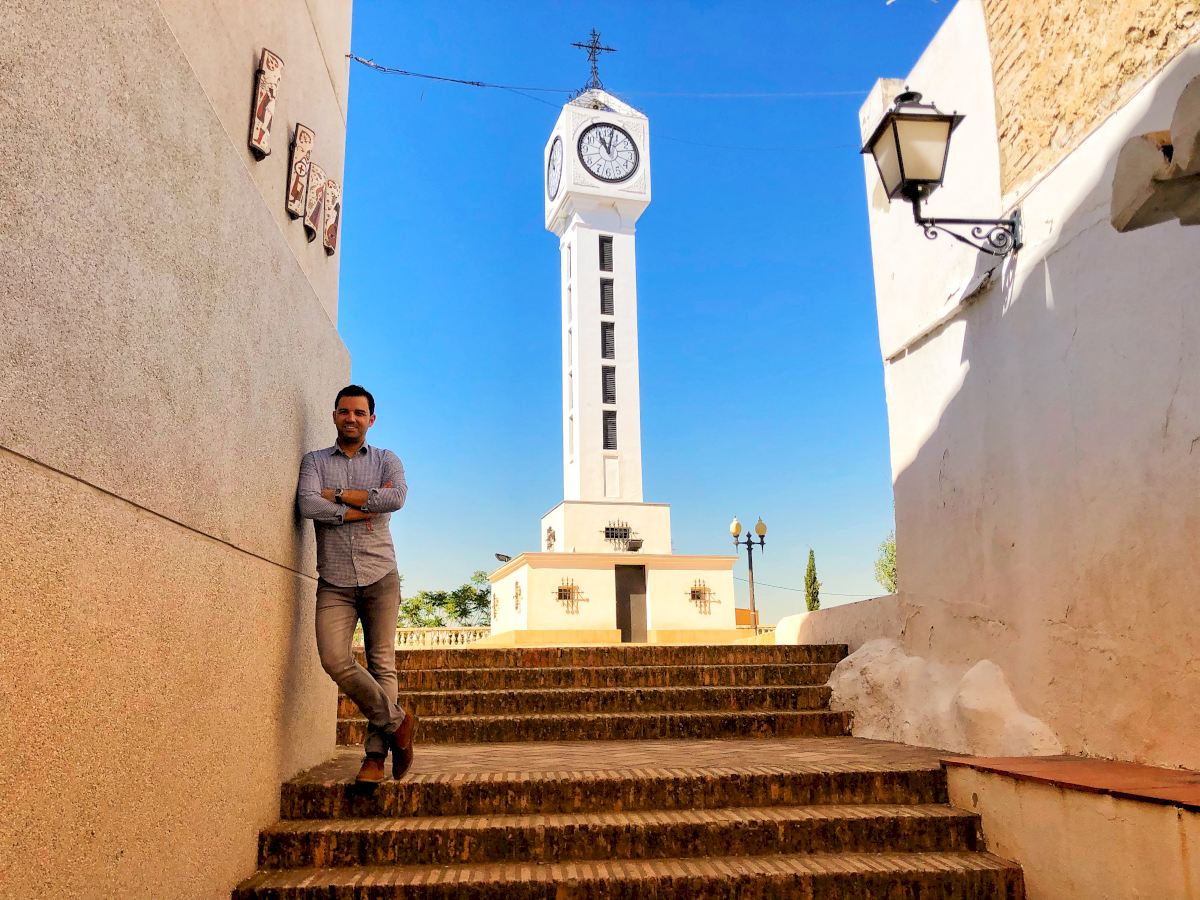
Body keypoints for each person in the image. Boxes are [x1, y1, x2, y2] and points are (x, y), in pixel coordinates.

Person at [296, 384, 414, 784]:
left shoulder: (386, 460)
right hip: (334, 579)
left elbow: (395, 498)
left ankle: (374, 758)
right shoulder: (314, 461)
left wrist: (337, 495)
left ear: (371, 420)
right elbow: (308, 503)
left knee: (382, 664)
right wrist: (355, 510)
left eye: (359, 413)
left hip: (380, 574)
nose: (351, 418)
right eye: (345, 412)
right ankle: (398, 723)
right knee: (334, 659)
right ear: (334, 416)